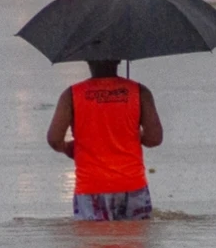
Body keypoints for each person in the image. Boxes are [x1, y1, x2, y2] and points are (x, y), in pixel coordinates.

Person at [47, 60, 163, 221]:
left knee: (93, 237)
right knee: (135, 236)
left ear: (88, 60)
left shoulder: (71, 95)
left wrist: (69, 148)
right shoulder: (140, 92)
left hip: (91, 187)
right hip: (132, 184)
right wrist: (134, 134)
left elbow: (54, 140)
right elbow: (154, 139)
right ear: (119, 60)